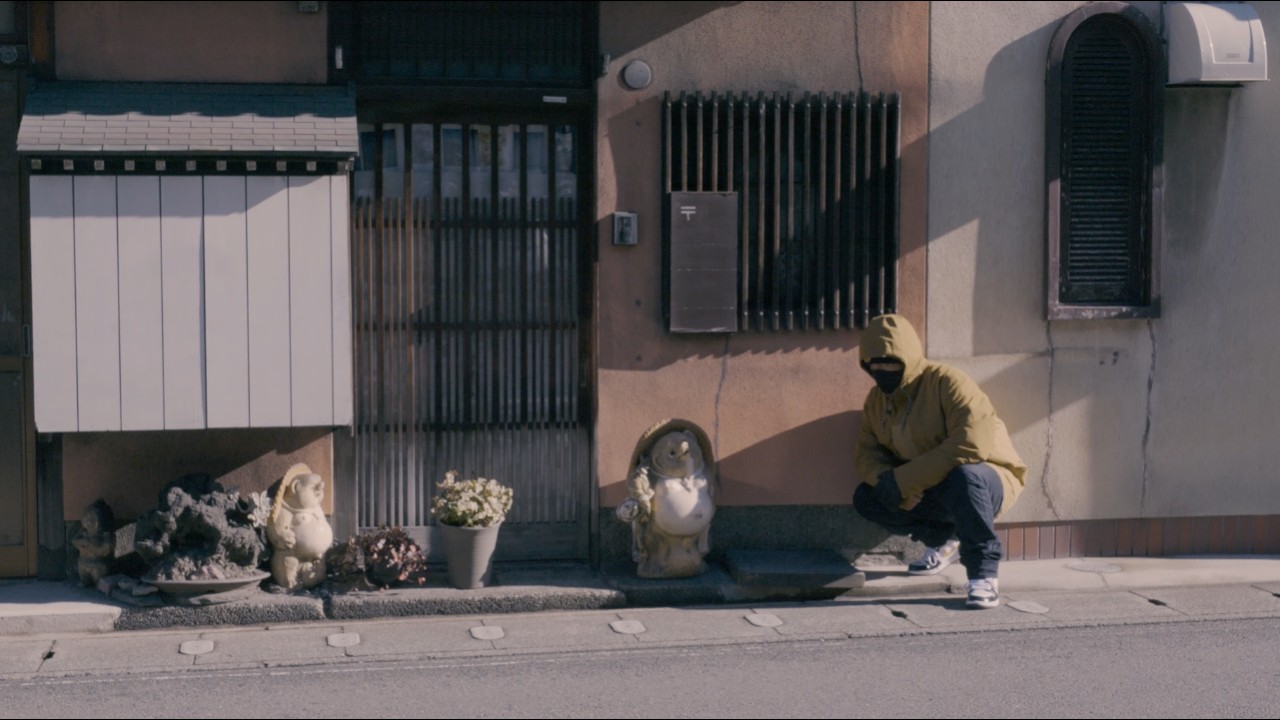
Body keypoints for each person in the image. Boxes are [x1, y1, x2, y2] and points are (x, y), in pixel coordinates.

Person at [853, 314, 1026, 609]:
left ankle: (984, 574)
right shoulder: (877, 400)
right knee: (867, 497)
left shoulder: (947, 382)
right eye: (875, 366)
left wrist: (903, 481)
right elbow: (867, 453)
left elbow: (971, 445)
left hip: (989, 478)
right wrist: (889, 483)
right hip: (930, 483)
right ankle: (945, 539)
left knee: (964, 477)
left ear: (907, 358)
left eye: (891, 363)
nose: (882, 371)